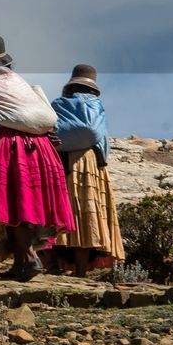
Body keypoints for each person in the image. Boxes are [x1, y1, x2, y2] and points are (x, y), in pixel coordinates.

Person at [0, 34, 75, 281]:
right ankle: (19, 264)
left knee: (13, 203)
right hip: (40, 148)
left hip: (7, 147)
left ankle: (27, 257)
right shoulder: (22, 85)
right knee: (26, 202)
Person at [49, 65, 124, 277]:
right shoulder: (96, 107)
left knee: (62, 211)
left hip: (63, 163)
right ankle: (80, 271)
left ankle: (53, 265)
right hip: (91, 164)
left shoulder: (58, 104)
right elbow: (102, 140)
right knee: (87, 214)